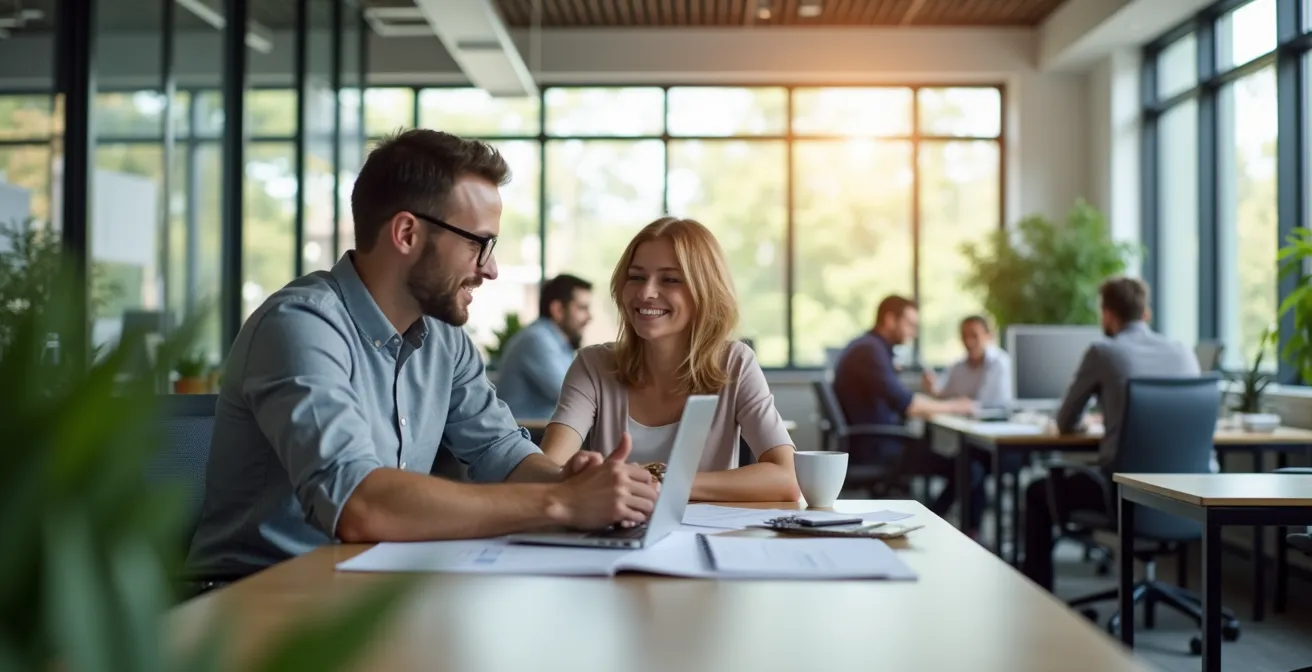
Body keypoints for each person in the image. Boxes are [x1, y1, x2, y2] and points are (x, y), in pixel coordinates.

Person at [186, 130, 657, 580]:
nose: (490, 269)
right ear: (407, 233)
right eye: (478, 243)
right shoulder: (300, 326)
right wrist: (563, 504)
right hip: (261, 598)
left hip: (373, 586)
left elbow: (501, 452)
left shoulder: (443, 338)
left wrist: (567, 481)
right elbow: (358, 505)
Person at [538, 217, 801, 503]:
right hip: (613, 527)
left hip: (704, 530)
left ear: (705, 291)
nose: (646, 292)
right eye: (636, 277)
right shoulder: (593, 365)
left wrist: (660, 481)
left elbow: (787, 478)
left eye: (670, 279)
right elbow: (547, 471)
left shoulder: (734, 363)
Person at [1020, 276, 1201, 592]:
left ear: (1107, 314)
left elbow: (1065, 421)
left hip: (1124, 496)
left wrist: (1093, 423)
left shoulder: (1104, 352)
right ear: (1146, 313)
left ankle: (1038, 595)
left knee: (1037, 491)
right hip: (1187, 497)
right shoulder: (1183, 351)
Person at [831, 296, 980, 524]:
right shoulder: (869, 351)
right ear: (890, 320)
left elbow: (899, 400)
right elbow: (908, 405)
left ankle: (935, 521)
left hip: (876, 442)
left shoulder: (871, 348)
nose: (914, 332)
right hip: (879, 449)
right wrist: (958, 406)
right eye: (910, 324)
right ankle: (932, 522)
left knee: (967, 463)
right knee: (970, 469)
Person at [495, 274, 593, 419]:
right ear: (558, 310)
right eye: (582, 308)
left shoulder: (558, 343)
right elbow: (574, 395)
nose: (589, 317)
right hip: (526, 430)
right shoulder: (537, 340)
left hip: (540, 429)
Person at [923, 314, 1013, 408]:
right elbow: (945, 396)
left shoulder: (999, 363)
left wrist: (962, 404)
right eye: (964, 336)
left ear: (988, 336)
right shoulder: (958, 367)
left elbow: (988, 403)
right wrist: (932, 389)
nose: (968, 341)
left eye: (974, 336)